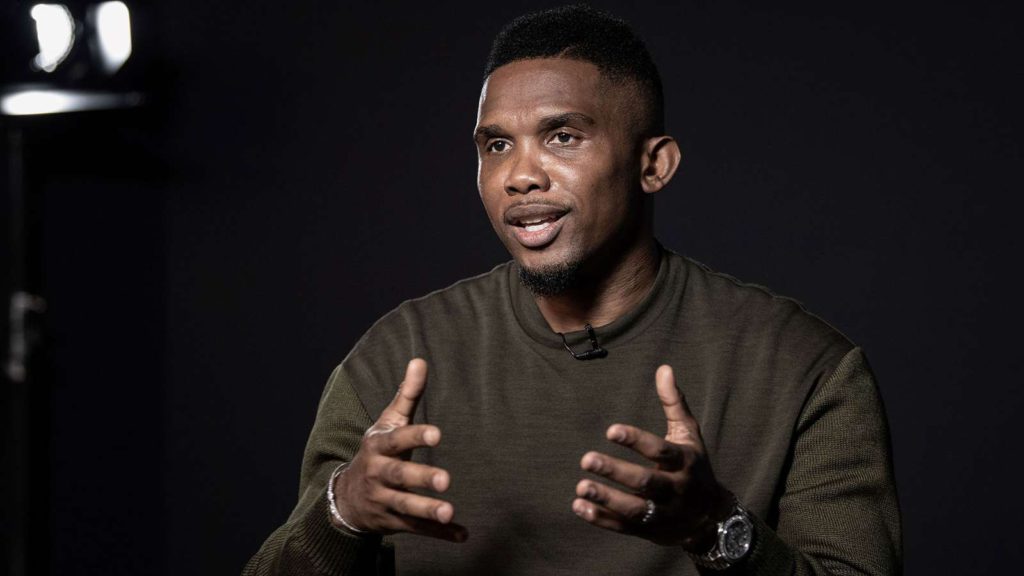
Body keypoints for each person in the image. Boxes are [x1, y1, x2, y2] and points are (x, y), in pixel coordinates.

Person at [244, 5, 901, 575]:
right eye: (496, 145)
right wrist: (343, 513)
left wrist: (716, 530)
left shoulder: (805, 369)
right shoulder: (395, 359)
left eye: (562, 137)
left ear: (653, 164)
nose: (520, 176)